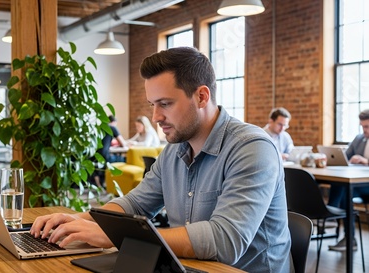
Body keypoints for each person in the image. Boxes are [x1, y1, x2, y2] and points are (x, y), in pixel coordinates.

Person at [30, 47, 292, 272]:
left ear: (201, 97)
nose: (155, 117)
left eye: (165, 104)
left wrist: (113, 236)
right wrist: (81, 219)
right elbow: (136, 203)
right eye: (152, 105)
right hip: (188, 266)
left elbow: (224, 242)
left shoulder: (251, 148)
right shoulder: (176, 148)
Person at [327, 109, 369, 251]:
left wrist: (366, 161)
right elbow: (343, 157)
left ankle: (330, 216)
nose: (364, 130)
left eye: (367, 126)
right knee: (343, 186)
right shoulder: (359, 139)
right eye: (362, 126)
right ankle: (349, 239)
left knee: (345, 189)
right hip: (358, 184)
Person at [92, 115, 128, 187]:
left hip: (94, 156)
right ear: (113, 122)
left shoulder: (98, 128)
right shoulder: (112, 128)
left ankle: (100, 184)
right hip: (105, 157)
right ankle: (118, 183)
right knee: (125, 159)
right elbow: (123, 144)